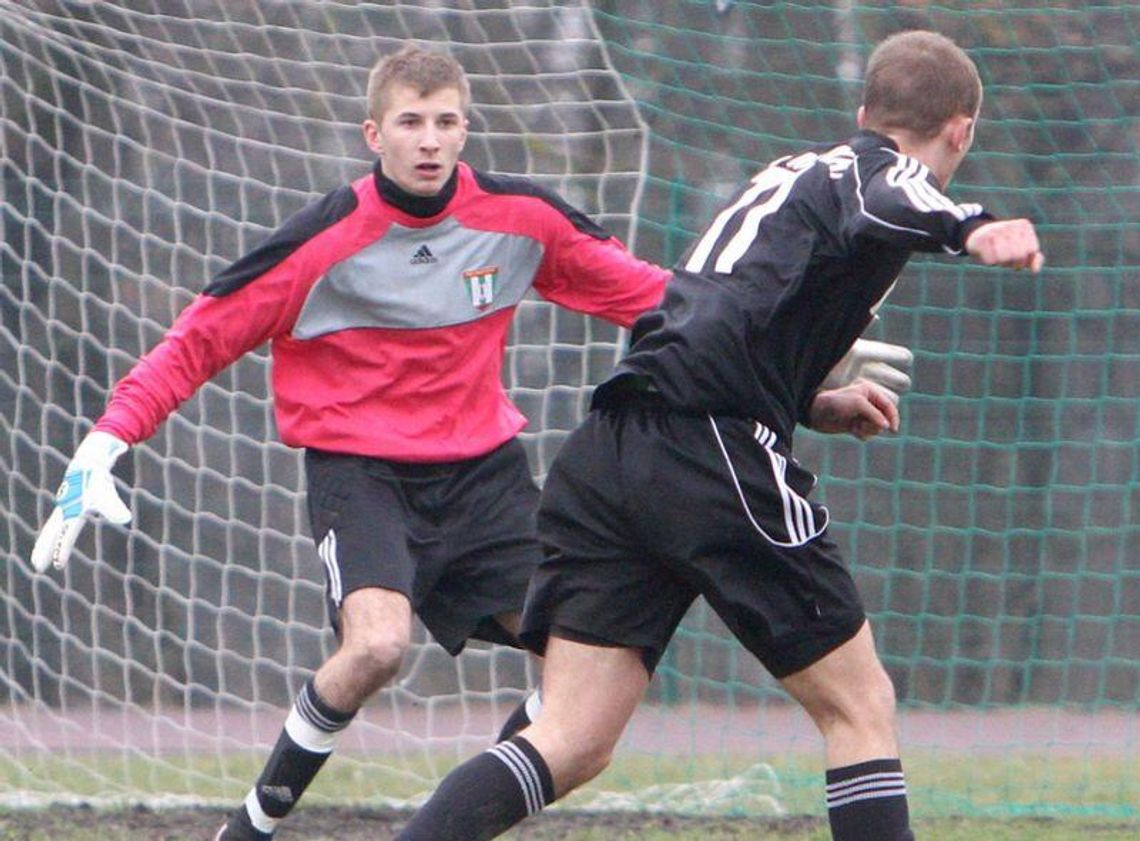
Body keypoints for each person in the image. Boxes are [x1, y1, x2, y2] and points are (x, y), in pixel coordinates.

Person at [30, 46, 912, 841]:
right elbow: (197, 340)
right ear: (374, 133)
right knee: (377, 646)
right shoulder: (319, 243)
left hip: (484, 479)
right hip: (363, 472)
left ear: (465, 129)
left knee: (576, 684)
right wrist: (108, 439)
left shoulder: (520, 220)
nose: (429, 140)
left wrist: (799, 364)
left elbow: (661, 300)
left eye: (446, 121)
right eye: (410, 122)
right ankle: (254, 826)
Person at [394, 29, 1044, 841]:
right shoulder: (881, 173)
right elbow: (894, 198)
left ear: (864, 107)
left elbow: (728, 313)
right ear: (962, 130)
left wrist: (811, 401)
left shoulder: (794, 173)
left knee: (572, 737)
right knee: (860, 706)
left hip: (614, 446)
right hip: (708, 447)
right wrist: (972, 227)